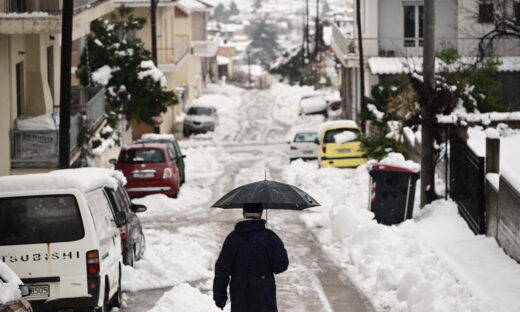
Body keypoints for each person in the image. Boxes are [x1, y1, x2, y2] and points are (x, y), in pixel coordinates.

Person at [213, 203, 289, 312]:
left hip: (240, 297)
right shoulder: (270, 237)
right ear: (261, 214)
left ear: (243, 214)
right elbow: (281, 266)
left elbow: (222, 269)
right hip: (264, 297)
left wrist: (220, 297)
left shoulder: (232, 238)